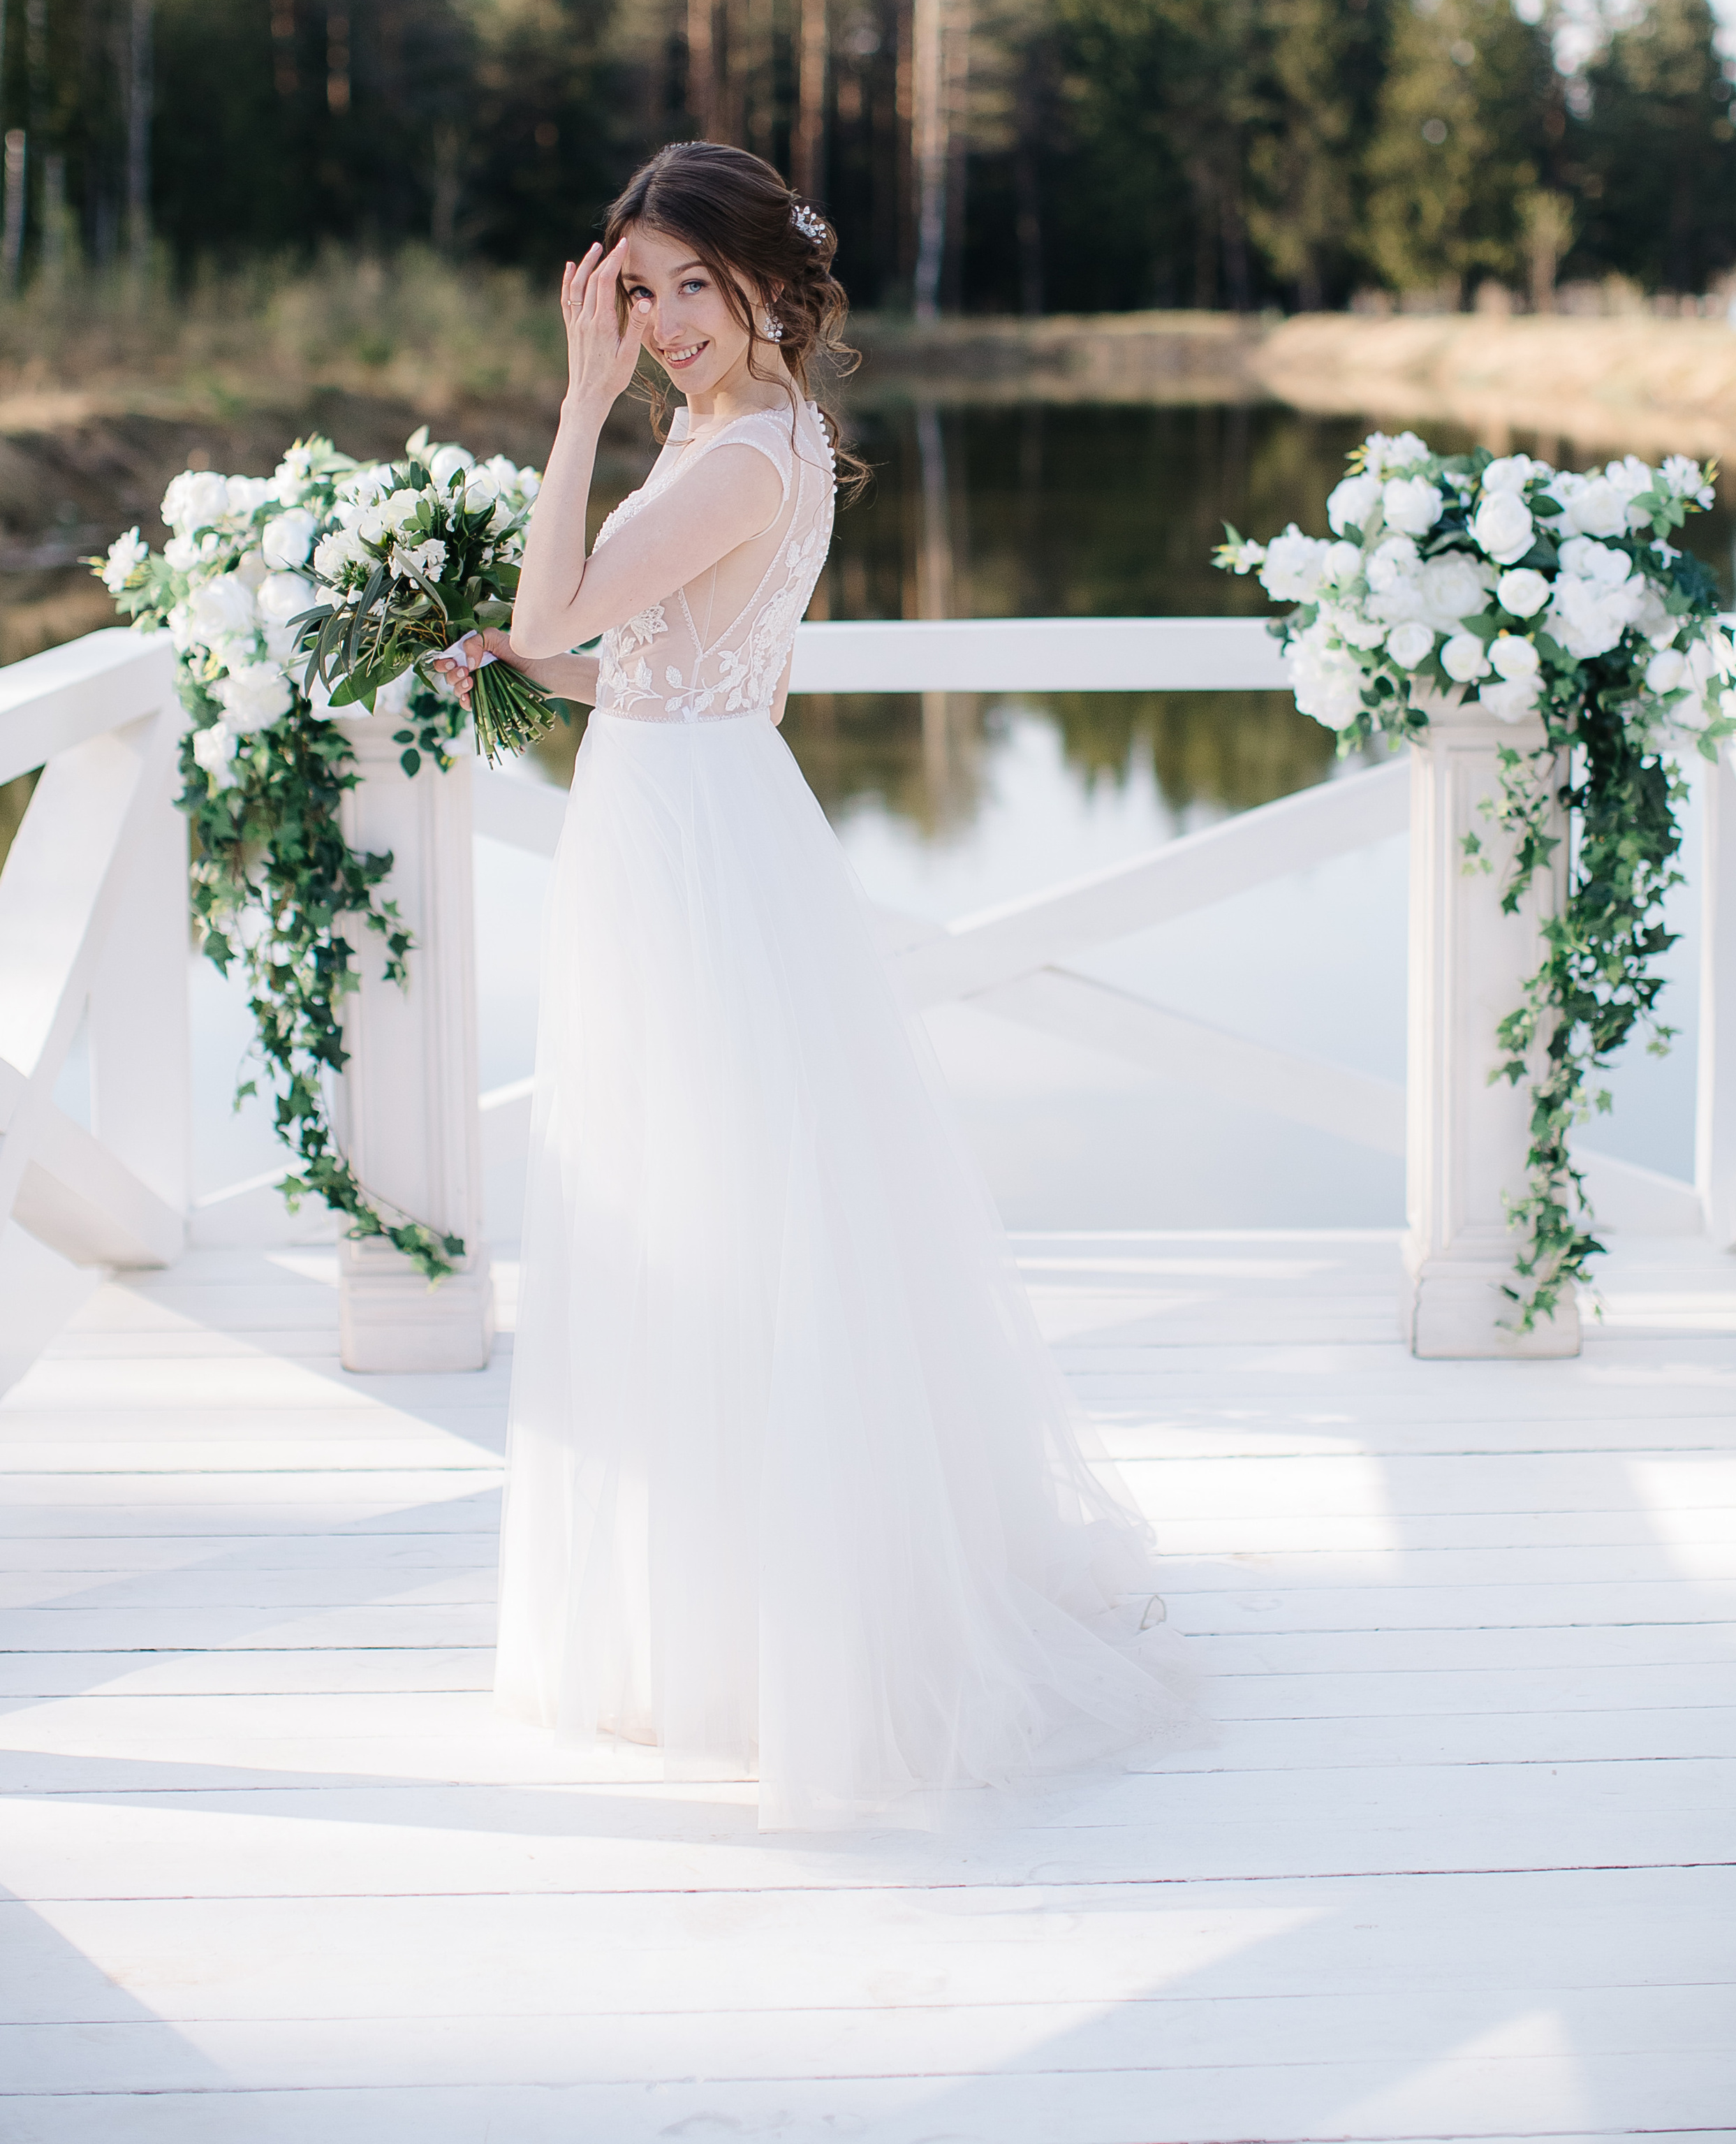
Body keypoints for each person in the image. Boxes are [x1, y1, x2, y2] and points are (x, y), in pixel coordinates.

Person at [434, 141, 1193, 1831]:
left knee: (723, 1215)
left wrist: (571, 408)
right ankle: (697, 1620)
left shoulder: (732, 457)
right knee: (692, 1206)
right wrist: (503, 653)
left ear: (768, 283)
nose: (662, 321)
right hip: (685, 811)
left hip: (693, 852)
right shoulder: (738, 437)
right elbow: (612, 656)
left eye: (690, 285)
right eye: (637, 291)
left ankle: (772, 1640)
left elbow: (561, 593)